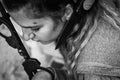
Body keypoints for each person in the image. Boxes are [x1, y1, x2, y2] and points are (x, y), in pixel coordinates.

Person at [1, 0, 120, 80]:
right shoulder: (78, 26)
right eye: (21, 26)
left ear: (67, 12)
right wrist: (52, 75)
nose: (26, 36)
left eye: (35, 28)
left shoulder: (95, 66)